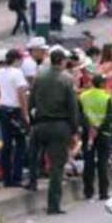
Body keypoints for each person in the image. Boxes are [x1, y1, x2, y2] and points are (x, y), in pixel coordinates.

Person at [28, 49, 79, 214]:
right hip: (59, 125)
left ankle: (32, 182)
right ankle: (53, 204)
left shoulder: (39, 77)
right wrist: (74, 129)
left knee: (34, 156)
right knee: (57, 166)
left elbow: (31, 102)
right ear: (62, 61)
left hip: (40, 124)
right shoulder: (66, 79)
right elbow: (73, 107)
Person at [79, 74, 112, 200]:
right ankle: (103, 192)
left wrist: (90, 127)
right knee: (102, 163)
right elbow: (111, 116)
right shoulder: (107, 97)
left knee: (88, 162)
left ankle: (88, 191)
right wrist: (99, 128)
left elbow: (79, 114)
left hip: (87, 134)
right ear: (102, 84)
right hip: (104, 133)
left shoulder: (83, 96)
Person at [0, 49, 30, 187]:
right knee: (21, 143)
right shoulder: (17, 73)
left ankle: (6, 178)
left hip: (3, 108)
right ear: (16, 59)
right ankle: (16, 176)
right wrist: (25, 113)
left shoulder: (1, 72)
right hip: (15, 110)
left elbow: (1, 90)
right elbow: (21, 94)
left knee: (7, 144)